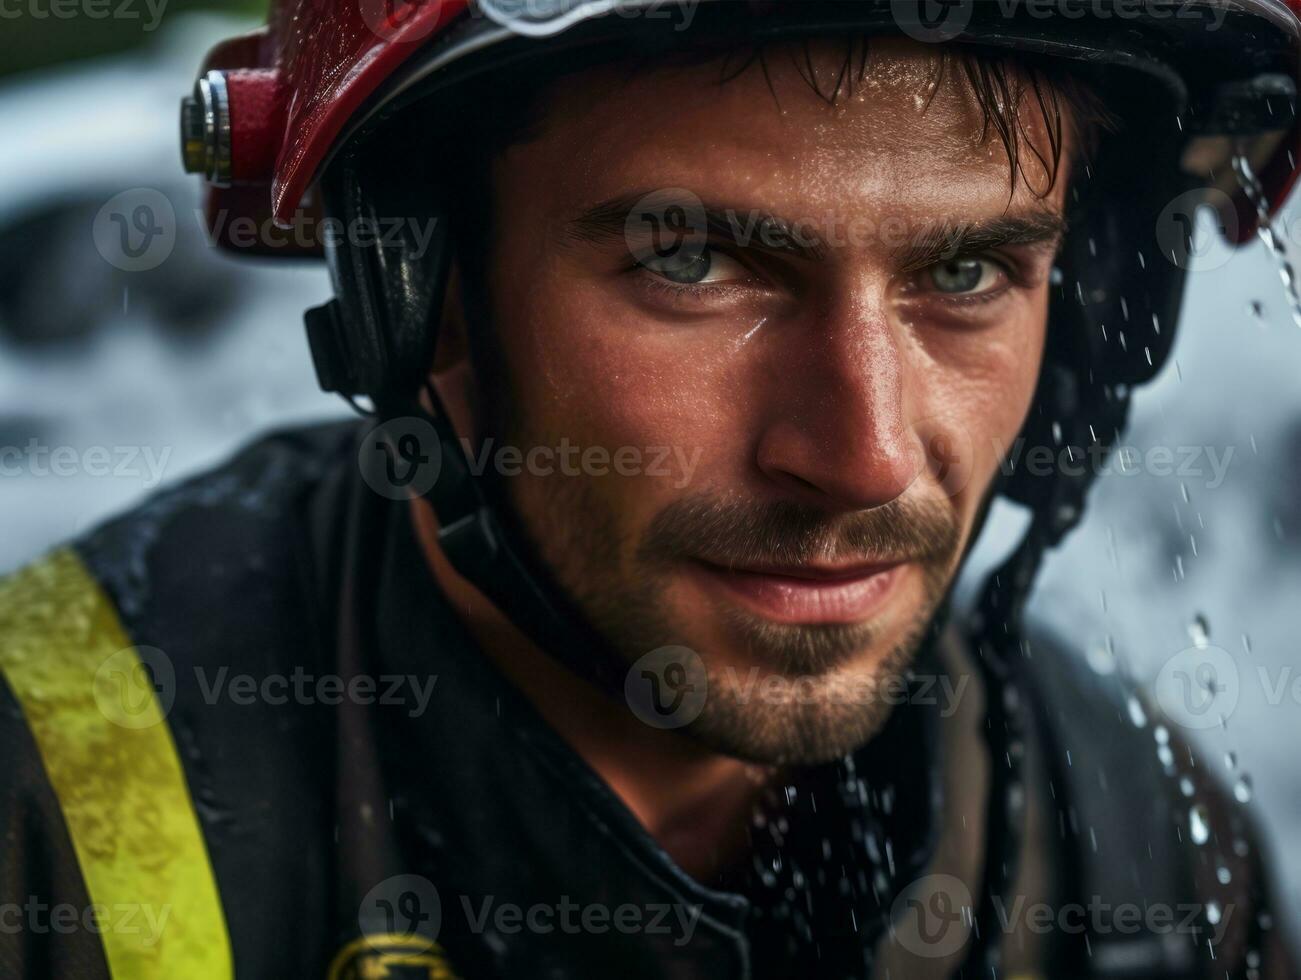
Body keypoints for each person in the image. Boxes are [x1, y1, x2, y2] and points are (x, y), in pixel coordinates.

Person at [1, 1, 1297, 977]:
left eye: (964, 277)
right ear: (422, 300)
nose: (864, 457)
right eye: (691, 263)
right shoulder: (39, 822)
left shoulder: (1140, 853)